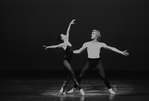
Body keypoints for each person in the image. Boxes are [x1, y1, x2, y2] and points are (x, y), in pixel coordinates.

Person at [68, 29, 129, 94]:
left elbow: (112, 48)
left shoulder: (101, 44)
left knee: (103, 76)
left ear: (97, 36)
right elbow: (79, 51)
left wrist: (122, 52)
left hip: (97, 62)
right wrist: (71, 52)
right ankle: (74, 88)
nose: (91, 35)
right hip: (89, 63)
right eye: (91, 33)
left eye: (93, 34)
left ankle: (110, 89)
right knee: (80, 76)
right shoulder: (87, 44)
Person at [43, 19, 85, 96]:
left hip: (68, 61)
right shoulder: (64, 44)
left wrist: (70, 24)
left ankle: (62, 89)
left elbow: (68, 32)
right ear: (62, 38)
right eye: (63, 35)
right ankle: (80, 88)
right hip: (65, 61)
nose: (65, 34)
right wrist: (48, 47)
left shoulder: (67, 40)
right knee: (72, 74)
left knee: (69, 76)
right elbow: (55, 46)